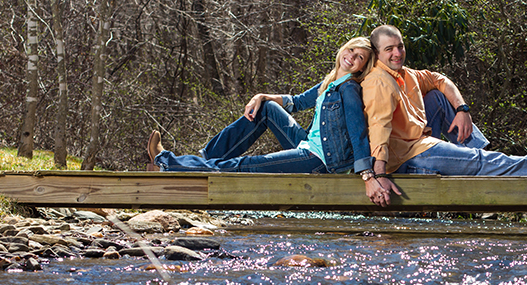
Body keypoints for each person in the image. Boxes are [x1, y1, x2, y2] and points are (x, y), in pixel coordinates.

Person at [361, 25, 527, 207]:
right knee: (484, 162)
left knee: (438, 98)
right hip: (409, 156)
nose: (397, 53)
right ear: (377, 53)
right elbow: (379, 130)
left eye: (400, 46)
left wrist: (462, 110)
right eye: (389, 49)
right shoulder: (379, 81)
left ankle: (483, 156)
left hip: (419, 142)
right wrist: (379, 176)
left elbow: (439, 80)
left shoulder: (405, 74)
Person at [146, 36, 386, 198]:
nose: (352, 57)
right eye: (351, 50)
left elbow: (358, 132)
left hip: (320, 160)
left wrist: (367, 175)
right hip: (308, 145)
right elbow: (298, 102)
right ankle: (205, 160)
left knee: (247, 165)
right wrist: (261, 96)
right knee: (267, 108)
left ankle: (168, 162)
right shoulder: (332, 79)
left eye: (360, 58)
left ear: (362, 67)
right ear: (344, 48)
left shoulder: (349, 89)